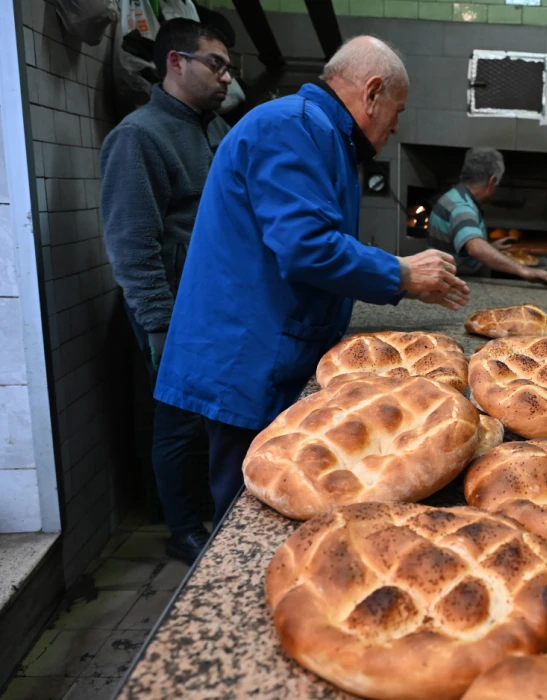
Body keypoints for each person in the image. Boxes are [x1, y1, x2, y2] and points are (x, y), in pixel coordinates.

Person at [153, 36, 470, 529]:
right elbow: (308, 247)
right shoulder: (293, 127)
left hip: (268, 348)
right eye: (397, 109)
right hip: (248, 356)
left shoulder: (320, 133)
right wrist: (402, 273)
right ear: (372, 92)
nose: (397, 124)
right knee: (255, 512)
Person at [99, 18, 234, 565]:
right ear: (175, 62)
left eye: (229, 67)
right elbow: (131, 243)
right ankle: (182, 529)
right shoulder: (139, 136)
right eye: (216, 64)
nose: (227, 77)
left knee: (203, 415)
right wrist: (160, 323)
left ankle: (204, 509)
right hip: (171, 309)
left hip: (209, 305)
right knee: (176, 420)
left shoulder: (212, 132)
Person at [427, 148, 547, 285]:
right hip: (455, 283)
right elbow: (476, 248)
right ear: (492, 181)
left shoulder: (456, 196)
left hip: (451, 279)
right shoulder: (462, 206)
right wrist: (525, 271)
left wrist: (491, 247)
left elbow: (465, 246)